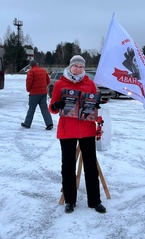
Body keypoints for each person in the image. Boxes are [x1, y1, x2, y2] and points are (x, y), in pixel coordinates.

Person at [48, 55, 106, 214]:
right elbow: (51, 109)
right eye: (76, 66)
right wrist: (56, 105)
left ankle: (95, 201)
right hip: (67, 131)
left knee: (91, 166)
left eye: (81, 66)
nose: (78, 69)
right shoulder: (60, 84)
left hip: (87, 129)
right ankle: (70, 200)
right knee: (67, 166)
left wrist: (98, 105)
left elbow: (94, 105)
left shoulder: (90, 84)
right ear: (70, 67)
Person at [21, 60, 53, 130]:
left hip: (34, 94)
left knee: (31, 109)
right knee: (44, 108)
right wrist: (43, 87)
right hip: (43, 93)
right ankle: (49, 123)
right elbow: (48, 81)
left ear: (31, 66)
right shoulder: (43, 71)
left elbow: (29, 82)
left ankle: (27, 123)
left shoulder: (31, 72)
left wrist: (28, 89)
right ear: (37, 64)